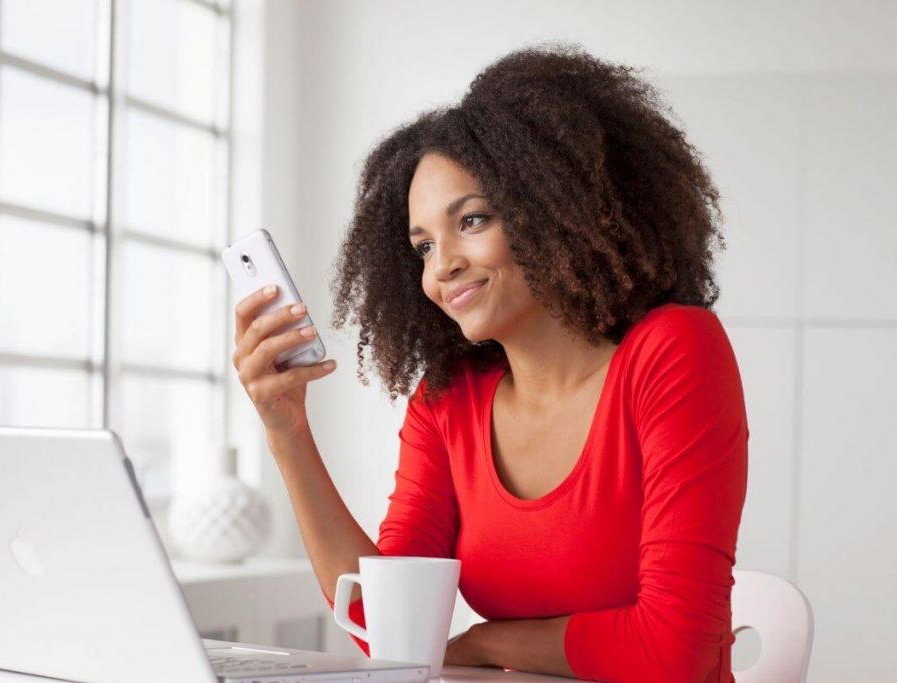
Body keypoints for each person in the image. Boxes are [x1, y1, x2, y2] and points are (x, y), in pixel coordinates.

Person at [231, 44, 747, 683]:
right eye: (422, 246)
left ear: (559, 208)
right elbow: (386, 629)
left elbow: (674, 654)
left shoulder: (672, 350)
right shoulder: (448, 400)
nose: (440, 267)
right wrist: (288, 432)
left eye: (471, 220)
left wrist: (486, 642)